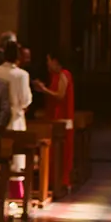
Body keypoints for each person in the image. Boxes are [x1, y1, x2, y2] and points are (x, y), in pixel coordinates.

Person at [37, 48, 77, 186]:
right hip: (54, 115)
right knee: (53, 152)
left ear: (55, 61)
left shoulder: (64, 74)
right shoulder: (54, 76)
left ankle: (62, 180)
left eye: (48, 60)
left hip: (62, 117)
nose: (47, 64)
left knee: (62, 152)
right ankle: (53, 180)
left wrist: (44, 90)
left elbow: (60, 95)